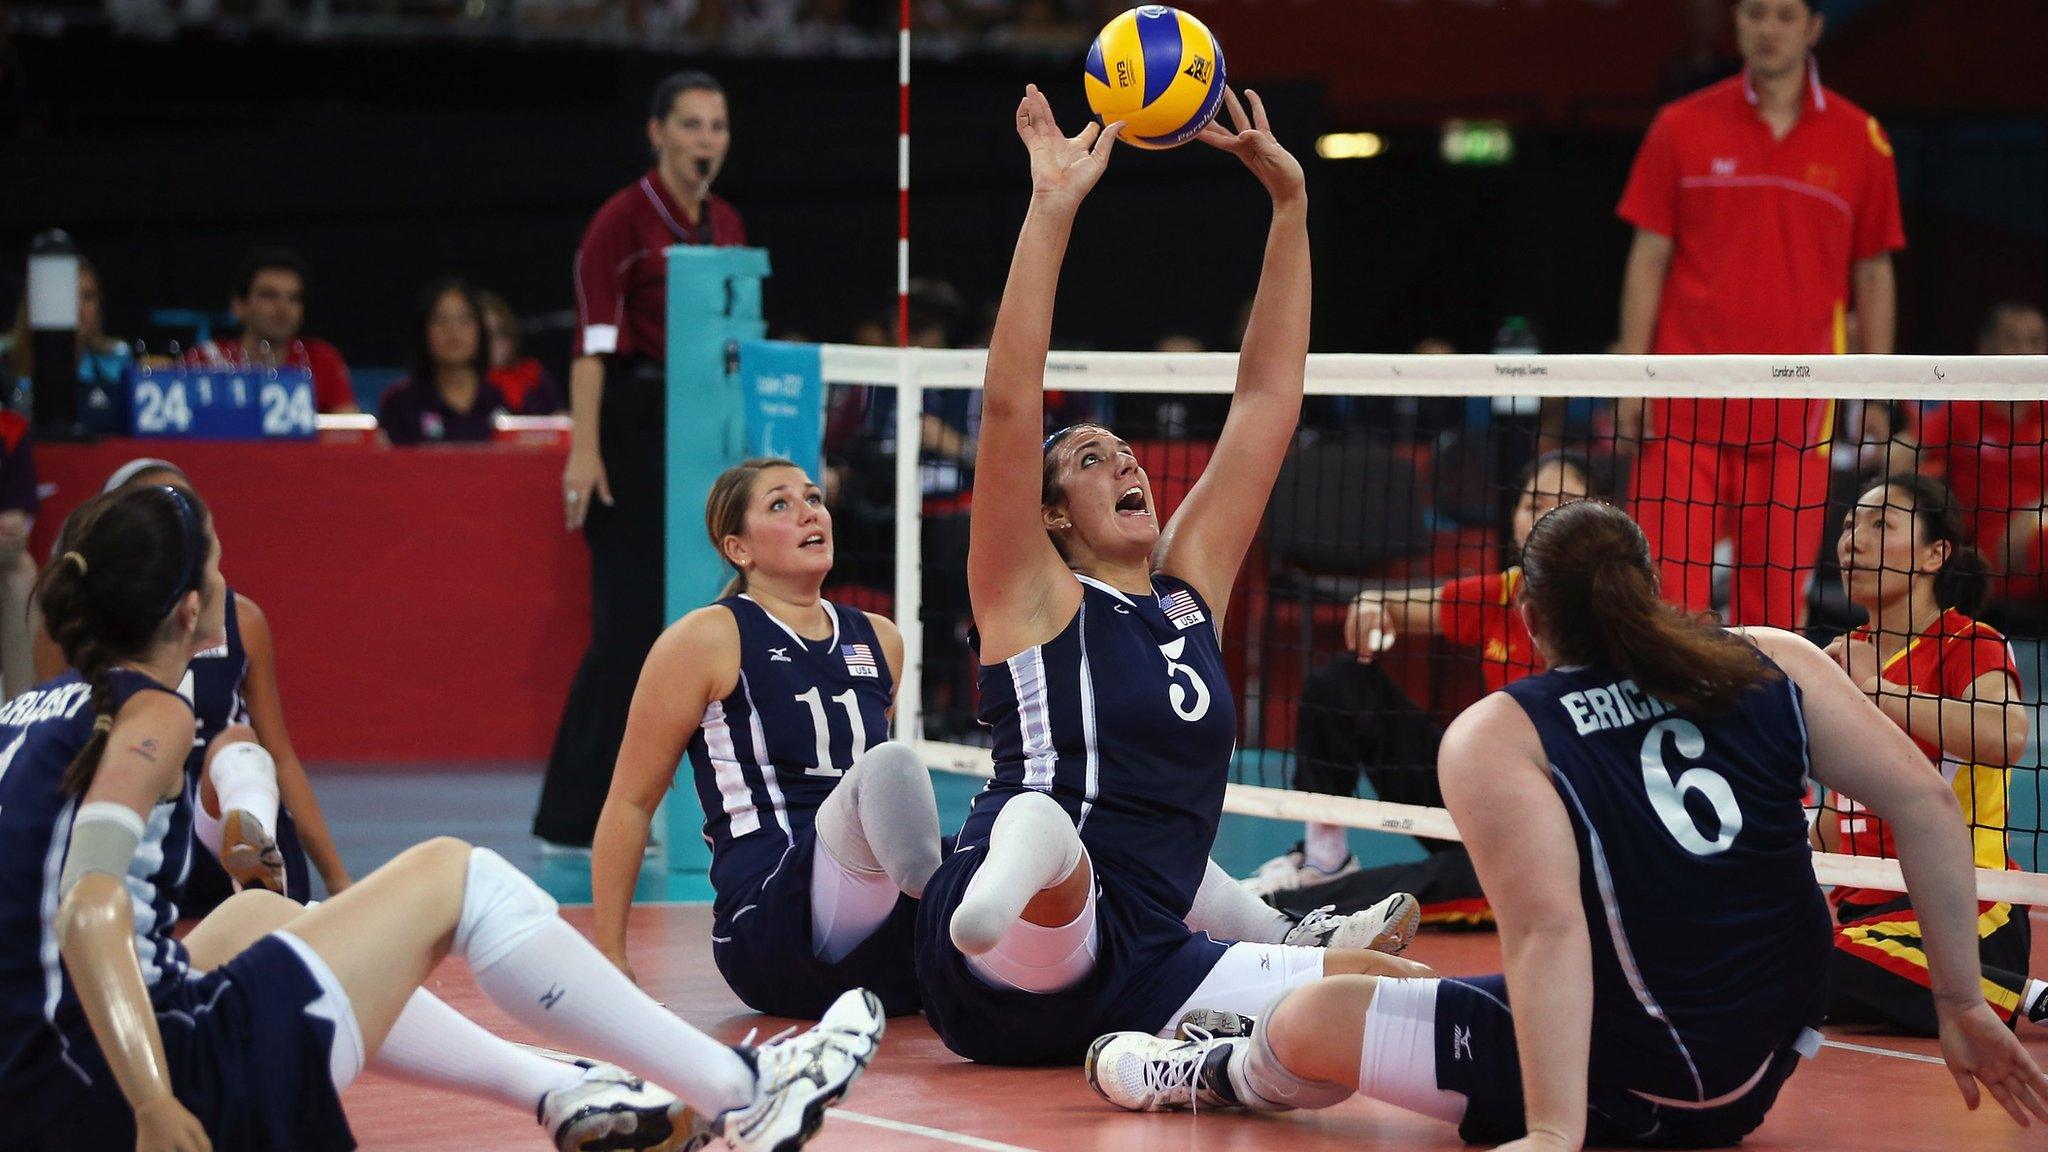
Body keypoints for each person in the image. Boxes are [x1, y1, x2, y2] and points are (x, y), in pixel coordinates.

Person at [1086, 499, 2048, 1149]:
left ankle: (1219, 1071)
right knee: (1444, 983)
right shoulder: (1774, 657)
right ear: (1647, 584)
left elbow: (1548, 934)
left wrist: (1552, 1133)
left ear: (1533, 619)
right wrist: (1962, 1005)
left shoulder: (1502, 733)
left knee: (1310, 1020)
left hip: (1650, 1086)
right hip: (1766, 1059)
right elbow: (1924, 800)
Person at [0, 482, 884, 1152]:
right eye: (219, 565)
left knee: (258, 917)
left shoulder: (29, 715)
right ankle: (739, 1091)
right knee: (460, 877)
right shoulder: (154, 711)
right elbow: (92, 904)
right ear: (191, 607)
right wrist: (152, 1098)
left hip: (31, 1091)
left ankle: (563, 1092)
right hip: (124, 1086)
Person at [912, 86, 1427, 1071]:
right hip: (1017, 954)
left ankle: (1180, 1066)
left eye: (1126, 453)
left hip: (1148, 962)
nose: (1128, 467)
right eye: (1093, 461)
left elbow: (1267, 400)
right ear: (1052, 512)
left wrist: (1289, 211)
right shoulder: (1033, 596)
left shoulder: (1187, 594)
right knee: (1041, 825)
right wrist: (1051, 206)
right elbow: (1012, 403)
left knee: (1407, 1007)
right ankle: (975, 900)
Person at [1614, 0, 1904, 630]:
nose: (1768, 29)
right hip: (1685, 404)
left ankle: (1763, 727)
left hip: (1800, 412)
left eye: (1784, 15)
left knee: (1774, 616)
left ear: (1814, 28)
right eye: (1754, 14)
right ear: (1736, 25)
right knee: (1666, 606)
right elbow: (1648, 257)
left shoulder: (1862, 139)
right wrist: (1631, 376)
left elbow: (1874, 273)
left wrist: (1878, 393)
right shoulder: (1679, 125)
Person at [1244, 452, 1597, 923]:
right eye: (1533, 503)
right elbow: (1393, 604)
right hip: (1478, 800)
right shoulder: (1499, 593)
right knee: (1343, 684)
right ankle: (1323, 861)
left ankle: (1287, 905)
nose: (1544, 516)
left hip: (1550, 837)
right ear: (1513, 518)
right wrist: (1371, 604)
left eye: (1564, 502)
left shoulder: (1610, 610)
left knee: (1404, 892)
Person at [541, 70, 746, 851]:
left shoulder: (726, 222)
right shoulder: (620, 222)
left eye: (717, 126)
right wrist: (584, 450)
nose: (705, 142)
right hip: (629, 427)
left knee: (698, 624)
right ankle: (576, 814)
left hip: (701, 433)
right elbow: (592, 342)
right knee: (625, 632)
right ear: (658, 134)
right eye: (691, 126)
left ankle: (674, 809)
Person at [35, 457, 353, 910]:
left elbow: (279, 753)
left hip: (197, 821)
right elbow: (59, 742)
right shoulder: (78, 626)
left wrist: (339, 880)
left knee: (238, 745)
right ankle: (264, 900)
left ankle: (257, 858)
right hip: (131, 818)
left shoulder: (242, 620)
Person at [1819, 473, 2044, 1033]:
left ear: (1934, 554)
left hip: (1965, 908)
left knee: (1809, 961)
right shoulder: (1835, 660)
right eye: (1849, 525)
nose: (1853, 539)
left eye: (1881, 524)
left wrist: (1877, 692)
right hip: (1866, 919)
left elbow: (2006, 737)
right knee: (1760, 956)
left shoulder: (1970, 642)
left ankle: (2026, 996)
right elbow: (1837, 817)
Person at [1916, 301, 2048, 607]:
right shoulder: (1962, 410)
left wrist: (2034, 514)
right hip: (1987, 559)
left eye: (2035, 341)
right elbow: (1911, 450)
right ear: (1986, 348)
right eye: (2013, 340)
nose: (2024, 351)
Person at [184, 248, 359, 414]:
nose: (283, 308)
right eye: (269, 295)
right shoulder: (204, 361)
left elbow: (350, 432)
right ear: (239, 306)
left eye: (293, 298)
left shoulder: (322, 359)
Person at [2, 255, 134, 434]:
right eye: (67, 296)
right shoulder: (5, 361)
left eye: (88, 297)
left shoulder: (117, 362)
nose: (78, 307)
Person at [378, 278, 512, 445]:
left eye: (464, 320)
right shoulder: (400, 404)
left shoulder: (507, 398)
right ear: (424, 331)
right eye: (441, 320)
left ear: (481, 330)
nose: (453, 330)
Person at [480, 289, 566, 415]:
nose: (492, 344)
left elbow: (562, 418)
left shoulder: (534, 373)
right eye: (485, 336)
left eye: (500, 333)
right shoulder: (470, 383)